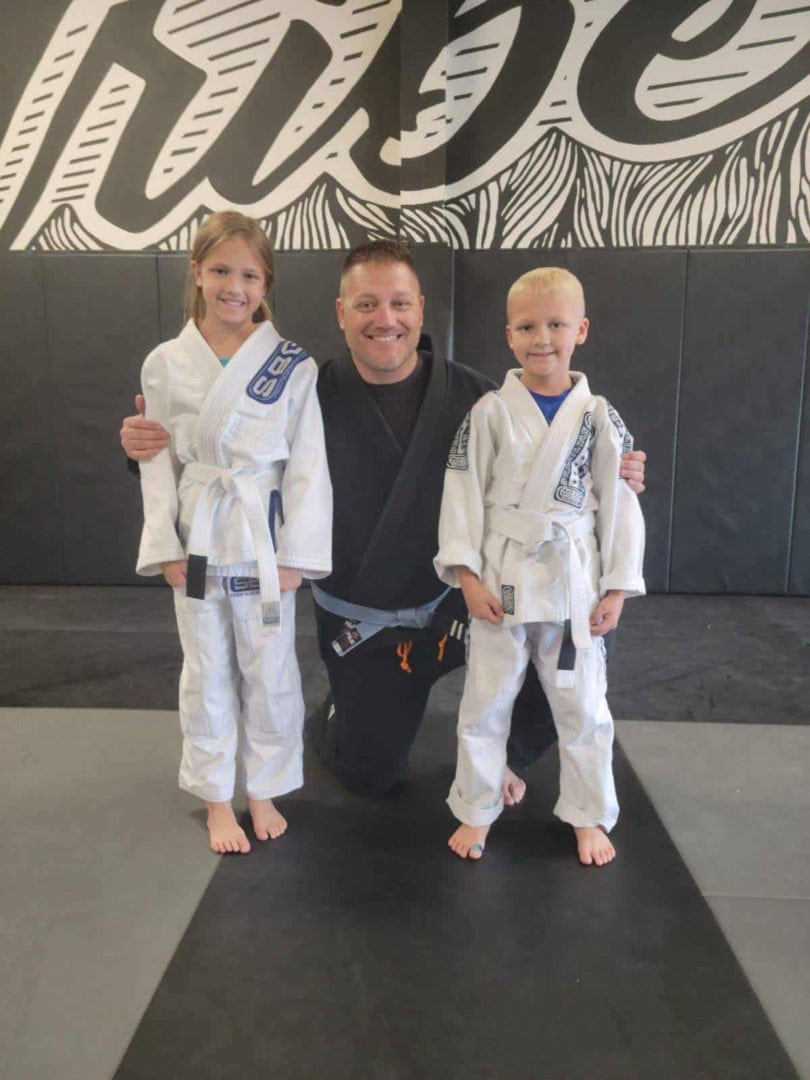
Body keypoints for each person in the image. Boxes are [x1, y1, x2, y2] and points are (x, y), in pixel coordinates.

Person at [122, 242, 646, 803]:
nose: (386, 320)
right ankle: (341, 710)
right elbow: (225, 459)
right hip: (367, 623)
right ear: (341, 313)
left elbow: (549, 468)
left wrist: (620, 472)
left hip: (464, 605)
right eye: (367, 305)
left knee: (580, 637)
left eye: (399, 303)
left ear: (421, 309)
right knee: (367, 774)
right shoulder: (306, 393)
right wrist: (144, 447)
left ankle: (505, 755)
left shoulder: (479, 397)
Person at [135, 210, 331, 855]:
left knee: (269, 666)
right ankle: (218, 796)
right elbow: (157, 459)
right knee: (207, 667)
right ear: (196, 273)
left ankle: (264, 787)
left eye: (248, 273)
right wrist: (163, 544)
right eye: (220, 270)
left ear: (266, 282)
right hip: (198, 534)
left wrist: (296, 557)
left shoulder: (290, 364)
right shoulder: (165, 363)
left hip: (261, 536)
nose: (234, 285)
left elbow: (306, 463)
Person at [435, 267, 645, 866]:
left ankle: (588, 813)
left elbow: (620, 505)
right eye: (527, 326)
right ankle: (476, 809)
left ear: (580, 329)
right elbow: (462, 495)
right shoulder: (489, 413)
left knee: (584, 710)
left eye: (556, 324)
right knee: (485, 704)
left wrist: (616, 590)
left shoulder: (600, 416)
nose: (542, 337)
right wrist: (467, 578)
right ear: (508, 335)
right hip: (501, 580)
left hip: (574, 586)